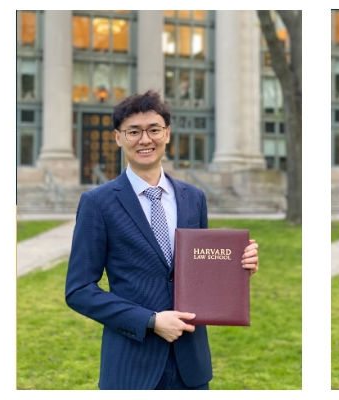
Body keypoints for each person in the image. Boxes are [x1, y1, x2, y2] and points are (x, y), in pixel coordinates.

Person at [65, 90, 259, 390]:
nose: (145, 140)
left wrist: (239, 266)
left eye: (154, 130)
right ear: (118, 138)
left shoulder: (193, 198)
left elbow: (201, 271)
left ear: (166, 134)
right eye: (134, 131)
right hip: (131, 366)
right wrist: (150, 320)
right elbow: (79, 290)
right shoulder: (98, 203)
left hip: (190, 368)